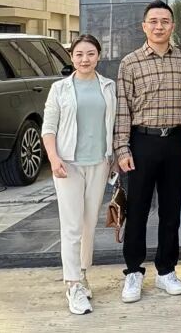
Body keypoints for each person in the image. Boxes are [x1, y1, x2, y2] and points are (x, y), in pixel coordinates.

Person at [113, 0, 181, 303]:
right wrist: (122, 147)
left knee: (171, 211)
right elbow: (122, 109)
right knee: (137, 210)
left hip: (175, 141)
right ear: (144, 26)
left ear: (172, 26)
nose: (159, 26)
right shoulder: (130, 63)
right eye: (153, 21)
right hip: (142, 142)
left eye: (165, 21)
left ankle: (166, 270)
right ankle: (133, 272)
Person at [43, 33, 116, 315]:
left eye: (90, 54)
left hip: (99, 163)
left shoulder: (108, 86)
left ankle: (83, 273)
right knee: (72, 225)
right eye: (79, 54)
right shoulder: (59, 89)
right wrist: (54, 158)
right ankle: (72, 284)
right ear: (71, 57)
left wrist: (113, 158)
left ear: (98, 56)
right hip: (68, 165)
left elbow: (114, 124)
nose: (85, 59)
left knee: (89, 224)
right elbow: (48, 128)